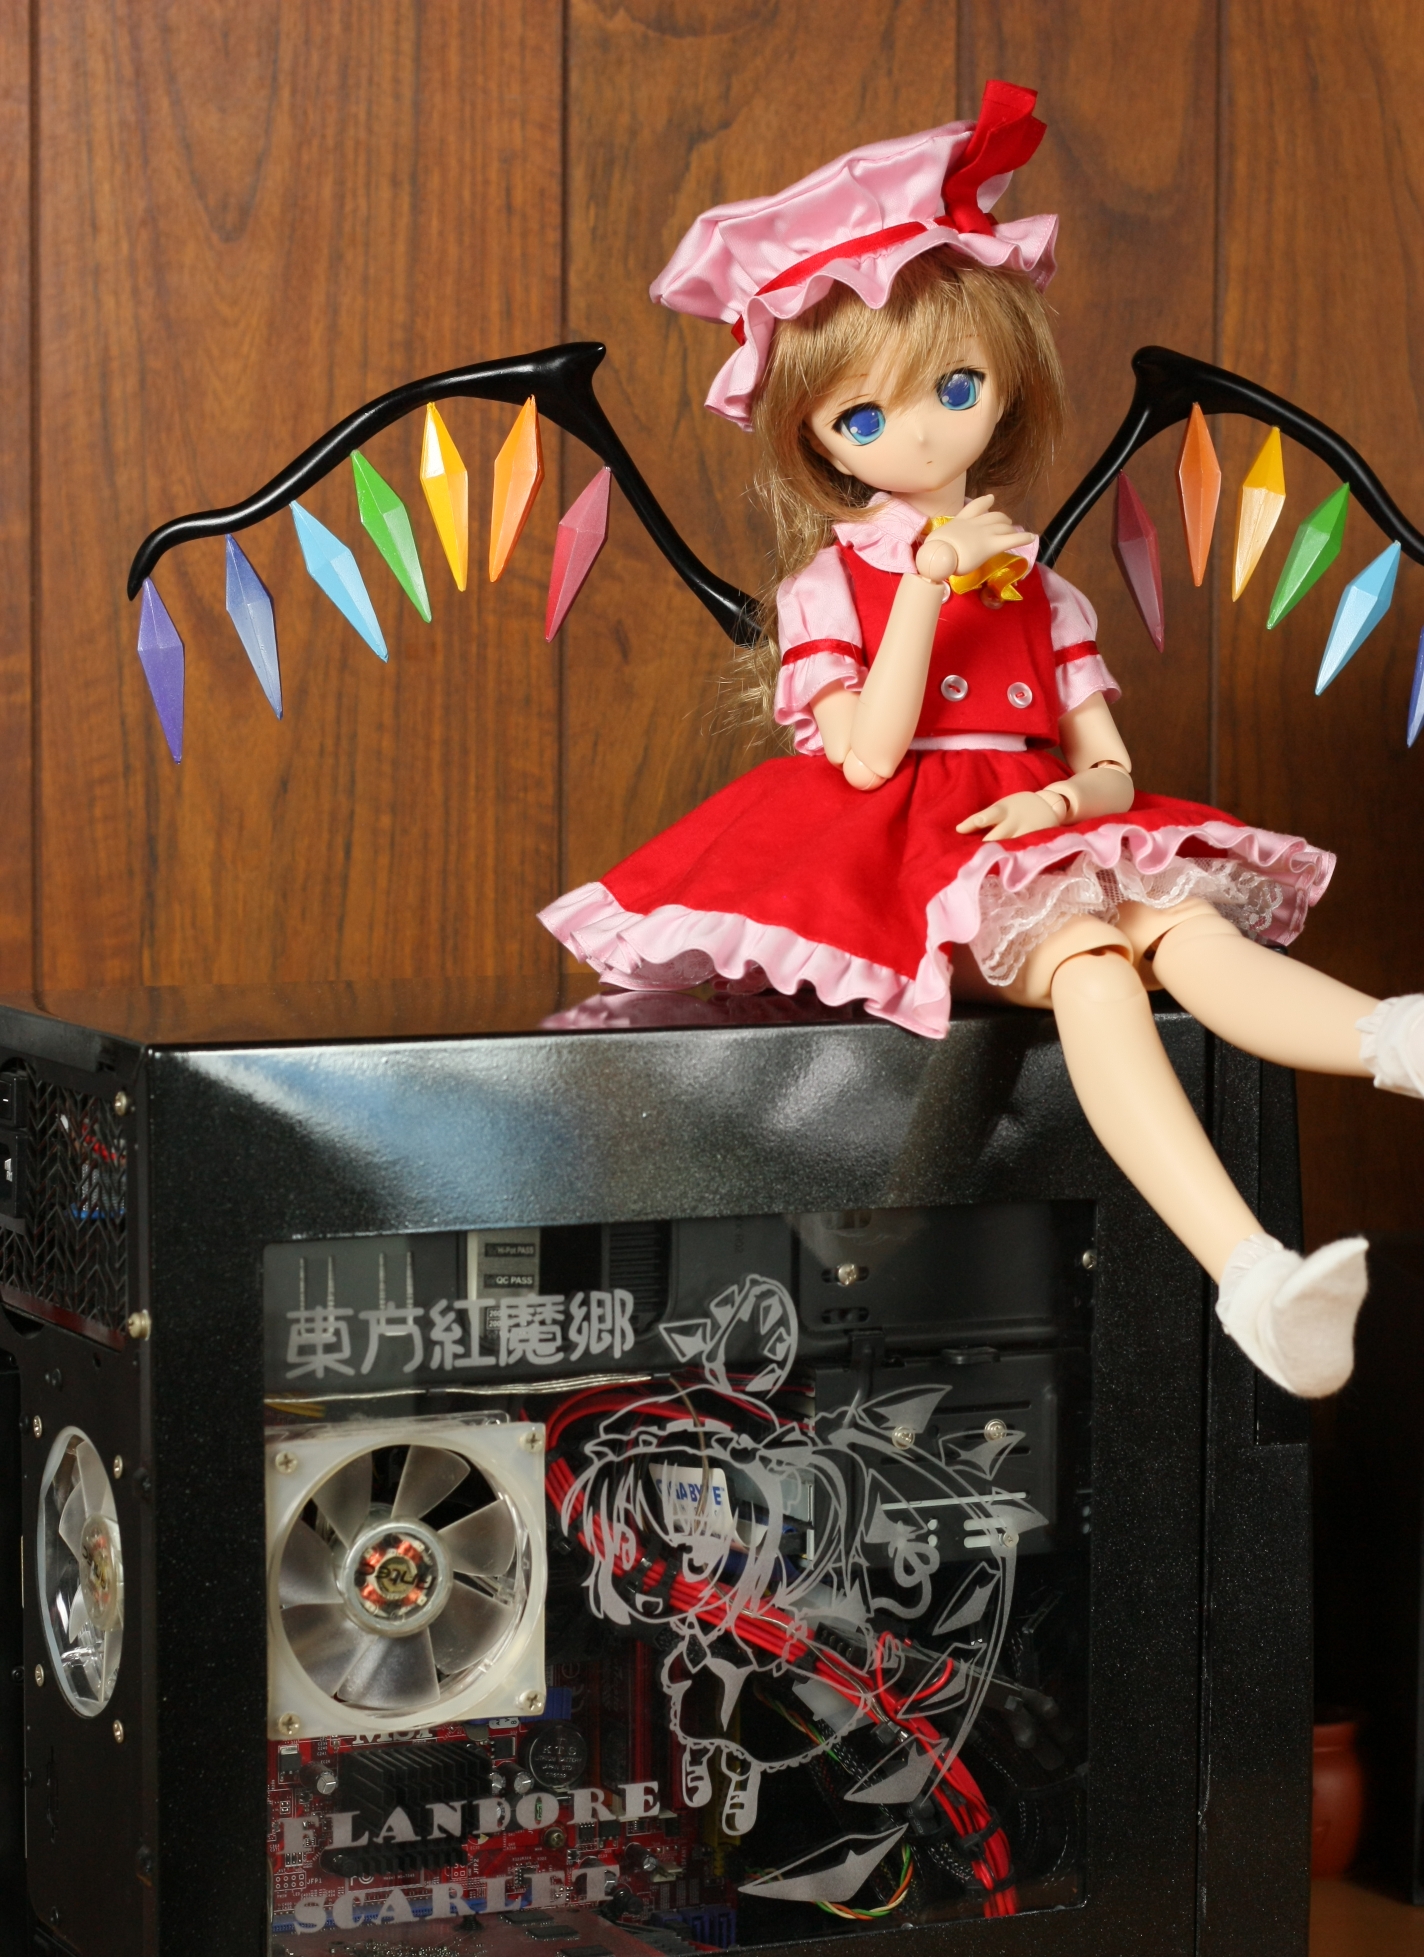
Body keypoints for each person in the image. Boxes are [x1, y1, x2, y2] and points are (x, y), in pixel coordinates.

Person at [540, 81, 1424, 1401]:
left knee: (1192, 933)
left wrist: (1060, 808)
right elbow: (865, 756)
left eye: (954, 387)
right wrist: (929, 588)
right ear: (818, 436)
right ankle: (1250, 1277)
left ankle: (1398, 1042)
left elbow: (1109, 765)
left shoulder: (1044, 591)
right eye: (863, 417)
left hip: (1042, 831)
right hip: (912, 851)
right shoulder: (833, 587)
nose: (917, 431)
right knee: (1094, 970)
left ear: (1002, 388)